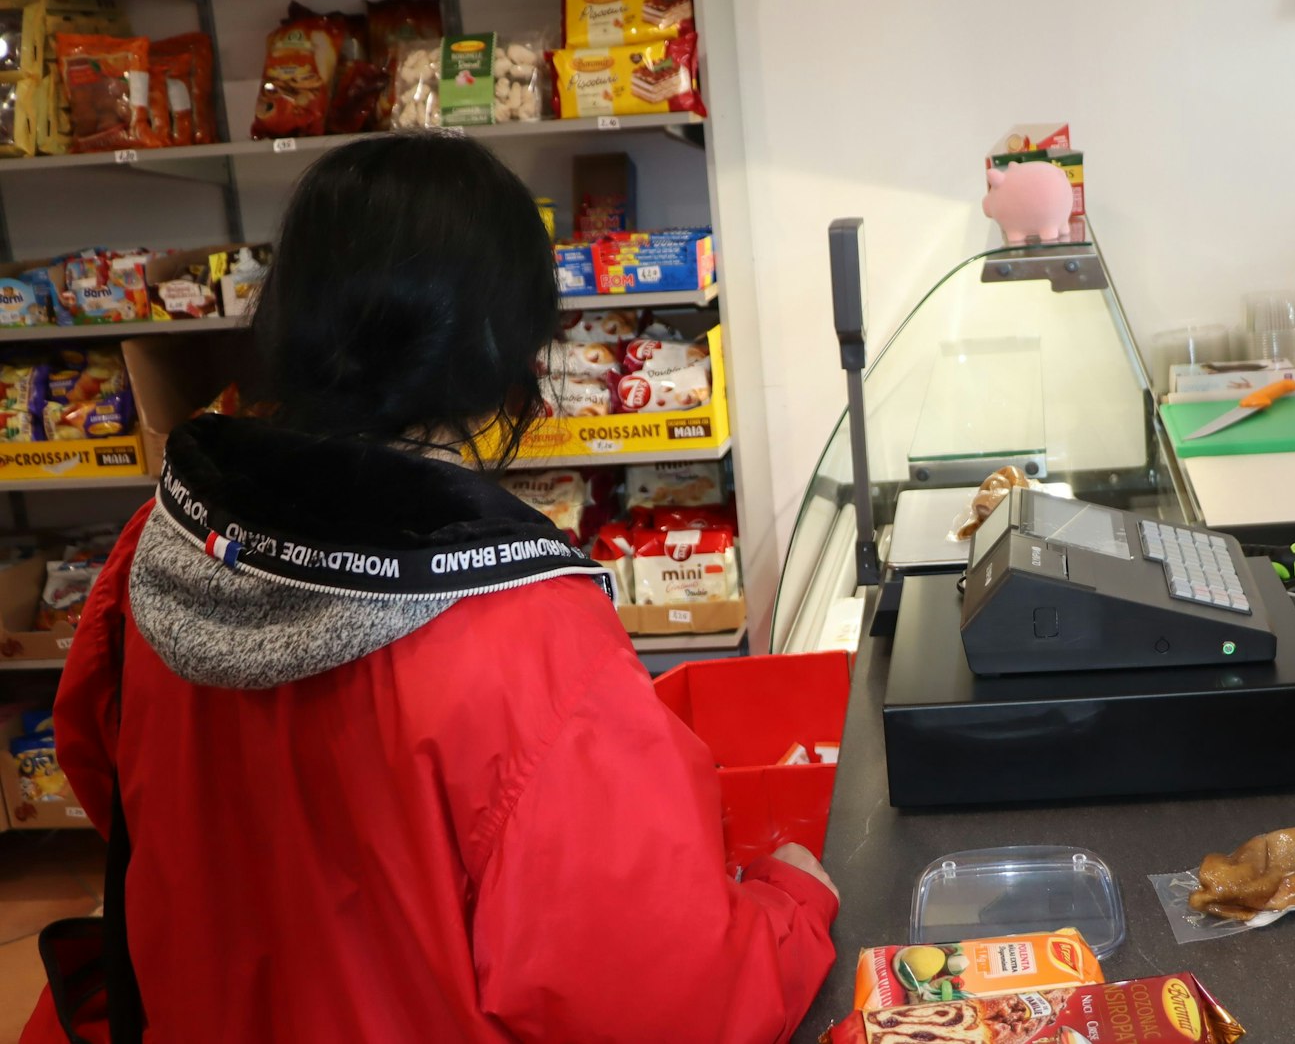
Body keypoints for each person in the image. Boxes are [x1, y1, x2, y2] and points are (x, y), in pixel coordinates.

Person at [22, 134, 839, 1043]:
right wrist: (791, 901)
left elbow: (109, 779)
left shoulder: (165, 541)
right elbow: (657, 996)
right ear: (508, 342)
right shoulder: (524, 630)